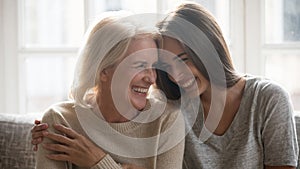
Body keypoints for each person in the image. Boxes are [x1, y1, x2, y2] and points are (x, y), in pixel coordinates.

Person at [32, 2, 299, 169]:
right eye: (166, 66)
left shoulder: (268, 99)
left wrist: (98, 162)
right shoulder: (171, 107)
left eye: (183, 60)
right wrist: (47, 127)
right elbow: (111, 98)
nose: (175, 75)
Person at [33, 13, 185, 169]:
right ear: (103, 70)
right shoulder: (60, 120)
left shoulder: (166, 120)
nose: (152, 79)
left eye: (154, 66)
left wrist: (98, 162)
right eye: (140, 65)